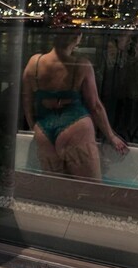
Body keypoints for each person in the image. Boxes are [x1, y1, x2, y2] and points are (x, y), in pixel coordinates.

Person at [22, 28, 128, 180]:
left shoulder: (34, 62)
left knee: (55, 189)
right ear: (77, 37)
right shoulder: (81, 65)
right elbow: (95, 106)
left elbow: (27, 101)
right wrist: (111, 136)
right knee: (89, 187)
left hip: (43, 129)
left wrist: (34, 127)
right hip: (76, 126)